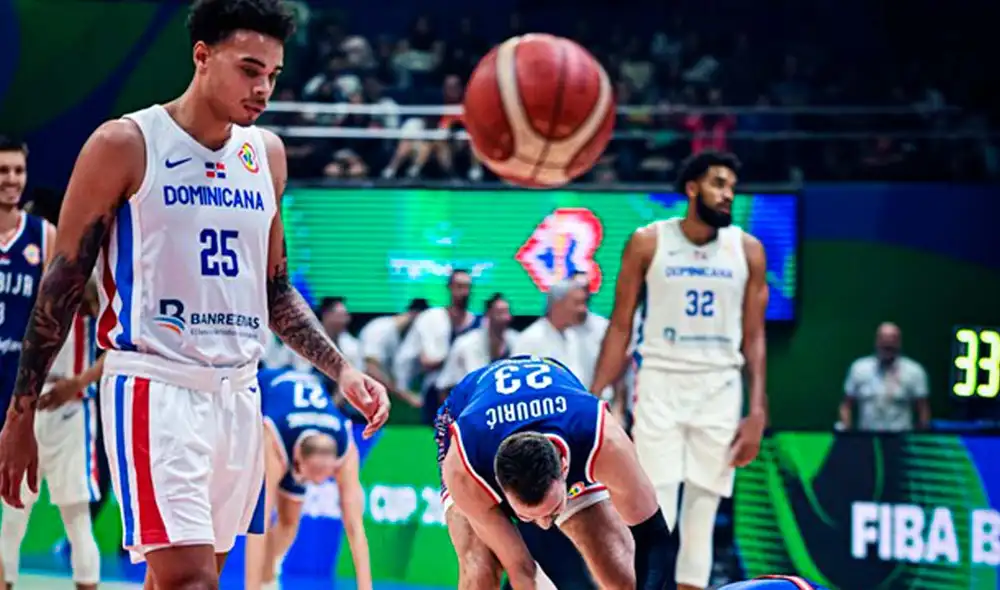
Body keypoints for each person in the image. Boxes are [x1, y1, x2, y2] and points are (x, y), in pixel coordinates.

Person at [0, 1, 390, 589]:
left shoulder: (266, 154)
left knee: (188, 579)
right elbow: (62, 284)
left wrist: (341, 368)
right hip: (155, 385)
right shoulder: (126, 143)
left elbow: (275, 291)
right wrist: (20, 413)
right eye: (249, 69)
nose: (263, 89)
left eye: (273, 75)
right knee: (192, 582)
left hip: (239, 395)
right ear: (202, 56)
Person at [589, 150, 769, 590]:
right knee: (655, 508)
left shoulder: (748, 250)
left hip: (720, 385)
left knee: (702, 514)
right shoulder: (648, 241)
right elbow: (620, 325)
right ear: (692, 188)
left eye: (731, 187)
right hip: (660, 381)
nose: (727, 194)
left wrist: (757, 410)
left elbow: (755, 336)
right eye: (718, 183)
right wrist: (593, 398)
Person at [437, 355, 672, 590]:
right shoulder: (464, 469)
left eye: (553, 510)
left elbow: (653, 536)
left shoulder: (604, 440)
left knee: (620, 568)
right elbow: (523, 570)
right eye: (527, 517)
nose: (544, 525)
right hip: (466, 415)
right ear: (498, 483)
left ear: (565, 467)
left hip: (564, 414)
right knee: (481, 570)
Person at [1, 281, 103, 590]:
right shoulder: (31, 278)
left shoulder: (87, 279)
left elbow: (115, 351)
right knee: (13, 514)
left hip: (71, 406)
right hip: (28, 404)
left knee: (76, 518)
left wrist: (79, 382)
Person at [245, 367, 371, 590]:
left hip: (302, 413)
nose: (316, 483)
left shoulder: (345, 448)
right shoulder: (275, 439)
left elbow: (355, 526)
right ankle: (263, 582)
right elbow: (259, 524)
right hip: (256, 392)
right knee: (261, 514)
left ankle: (269, 574)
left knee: (289, 523)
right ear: (298, 460)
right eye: (312, 476)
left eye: (325, 476)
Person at [0, 136, 56, 432]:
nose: (12, 179)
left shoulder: (44, 235)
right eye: (3, 171)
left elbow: (50, 312)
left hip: (18, 376)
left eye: (18, 171)